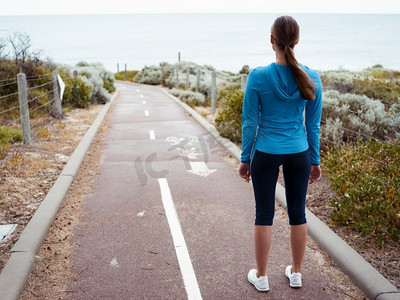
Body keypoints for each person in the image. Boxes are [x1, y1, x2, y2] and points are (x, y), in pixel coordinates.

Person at [239, 15, 322, 292]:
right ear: (296, 41)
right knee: (298, 213)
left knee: (263, 214)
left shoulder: (258, 76)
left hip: (265, 152)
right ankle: (296, 273)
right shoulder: (311, 76)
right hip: (299, 152)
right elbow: (312, 124)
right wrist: (314, 159)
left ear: (272, 40)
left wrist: (244, 158)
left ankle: (261, 276)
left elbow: (250, 122)